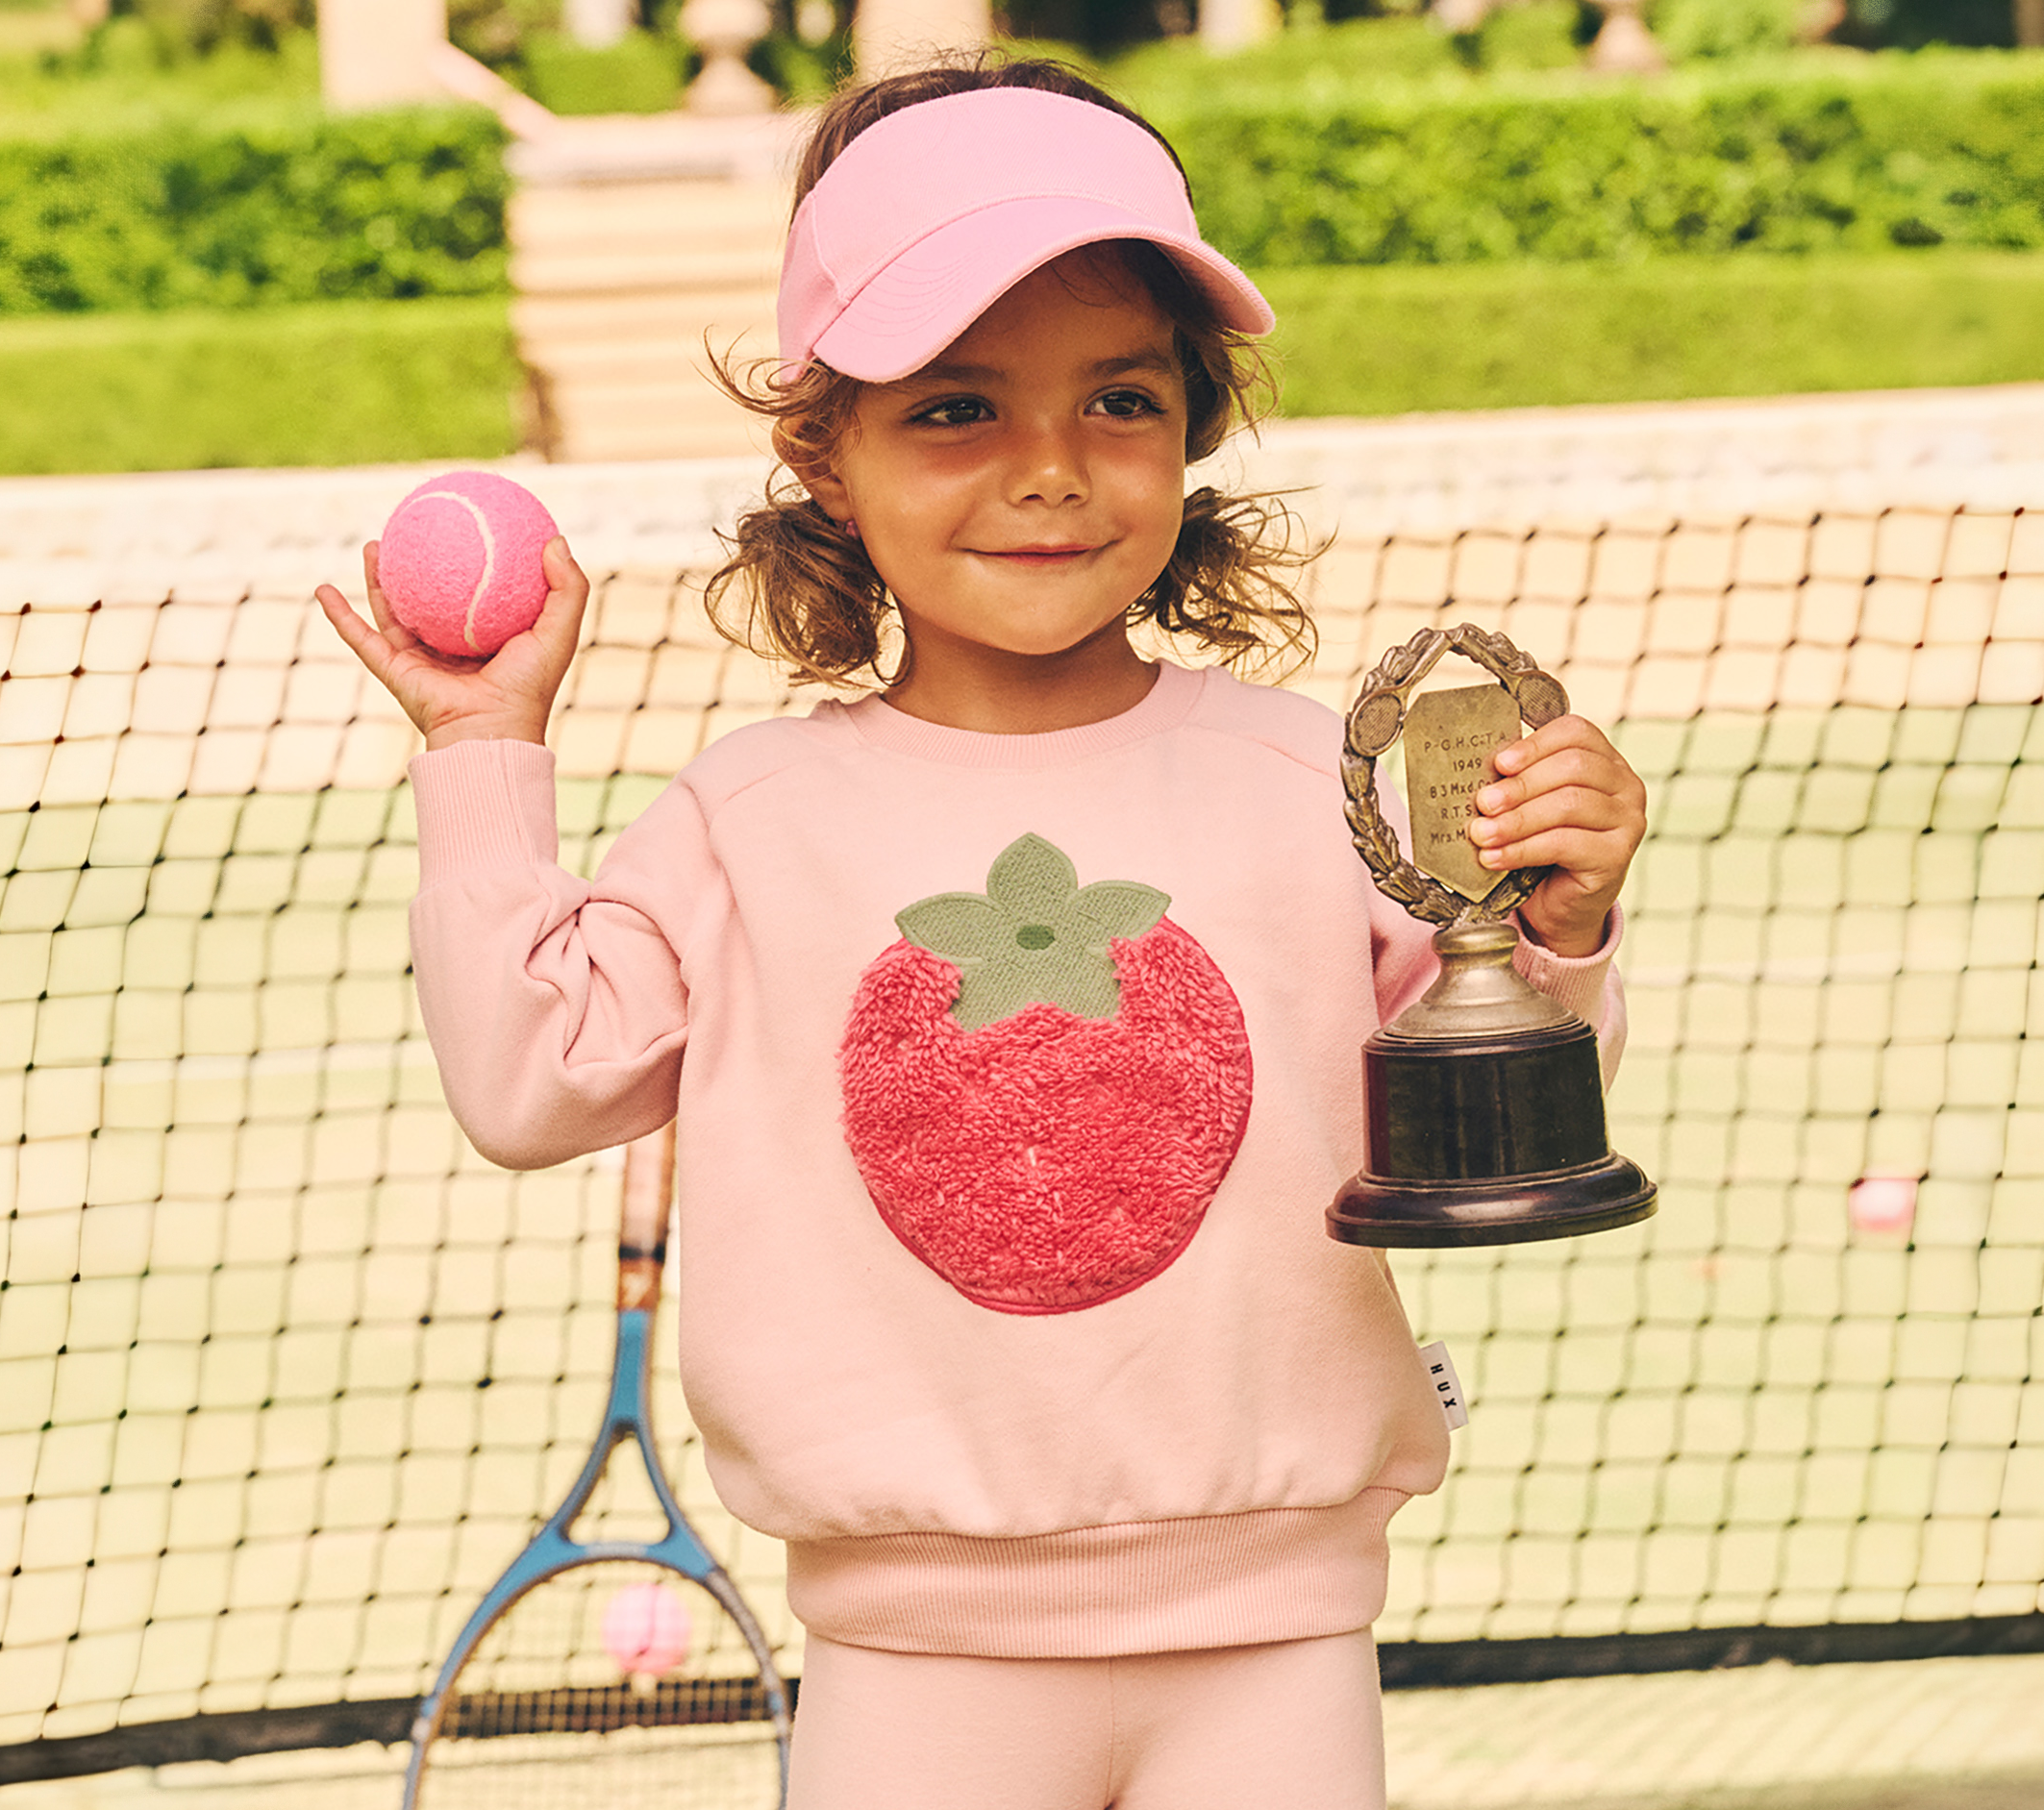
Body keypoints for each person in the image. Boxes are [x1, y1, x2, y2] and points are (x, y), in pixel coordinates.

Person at [317, 56, 1647, 1810]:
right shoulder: (745, 819)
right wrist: (484, 750)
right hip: (911, 1667)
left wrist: (1564, 916)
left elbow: (1504, 1105)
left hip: (1282, 1637)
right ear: (826, 457)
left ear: (1193, 426)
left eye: (1119, 399)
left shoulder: (1309, 780)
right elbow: (525, 1082)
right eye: (955, 408)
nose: (1049, 472)